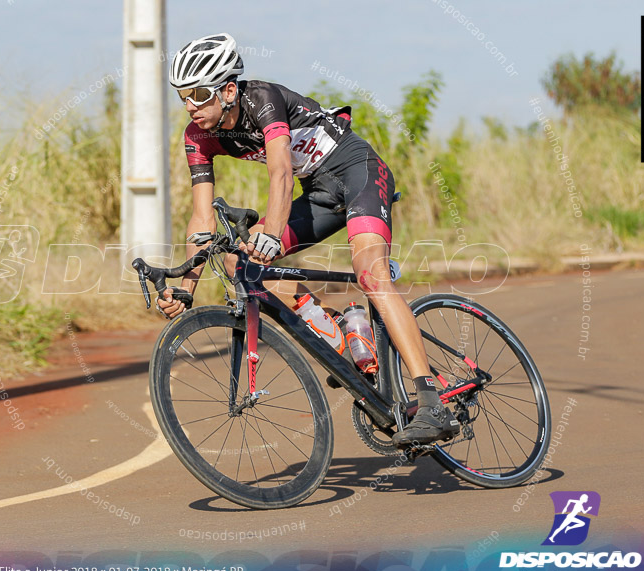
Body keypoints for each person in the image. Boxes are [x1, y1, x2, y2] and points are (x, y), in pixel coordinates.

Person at [157, 33, 458, 447]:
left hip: (358, 172)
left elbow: (280, 172)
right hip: (318, 193)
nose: (190, 104)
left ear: (228, 90)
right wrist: (186, 286)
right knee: (238, 263)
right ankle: (340, 331)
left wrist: (273, 235)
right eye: (183, 95)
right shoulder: (198, 136)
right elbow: (200, 217)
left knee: (371, 275)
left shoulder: (261, 98)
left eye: (199, 93)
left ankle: (431, 400)